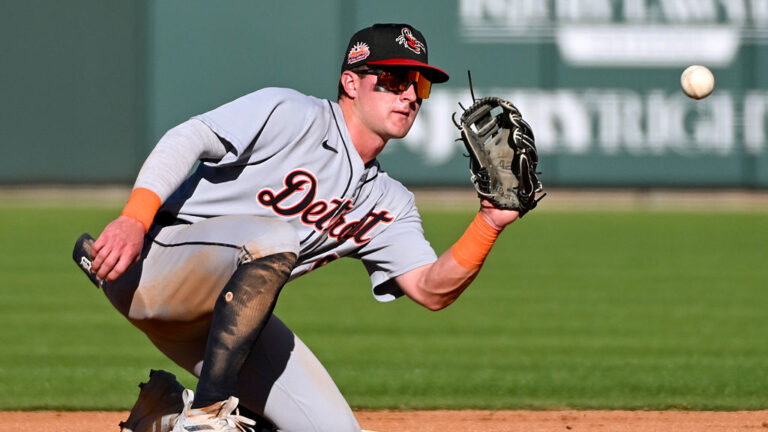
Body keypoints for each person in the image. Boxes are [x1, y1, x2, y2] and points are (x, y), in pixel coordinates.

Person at [74, 23, 520, 432]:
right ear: (351, 82)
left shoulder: (390, 201)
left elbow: (430, 289)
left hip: (225, 325)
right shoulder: (291, 113)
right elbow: (188, 137)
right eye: (392, 79)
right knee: (275, 236)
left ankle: (165, 416)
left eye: (417, 85)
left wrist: (488, 223)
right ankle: (207, 416)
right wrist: (134, 218)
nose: (408, 95)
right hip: (150, 265)